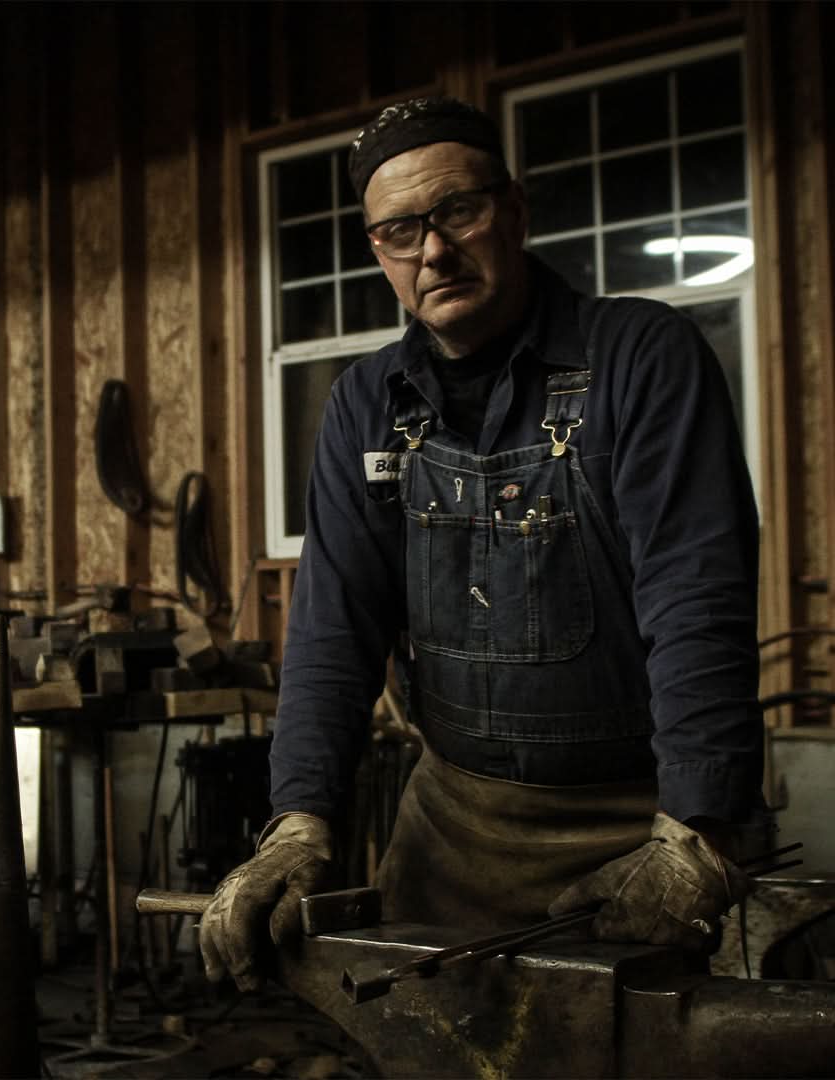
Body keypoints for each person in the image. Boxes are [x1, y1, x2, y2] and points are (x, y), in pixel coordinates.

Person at [199, 97, 767, 992]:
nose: (432, 250)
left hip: (638, 827)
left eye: (458, 211)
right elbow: (332, 630)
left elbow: (696, 596)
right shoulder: (364, 405)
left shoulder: (640, 357)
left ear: (515, 210)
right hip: (454, 835)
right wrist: (299, 819)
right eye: (399, 232)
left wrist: (697, 828)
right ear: (379, 252)